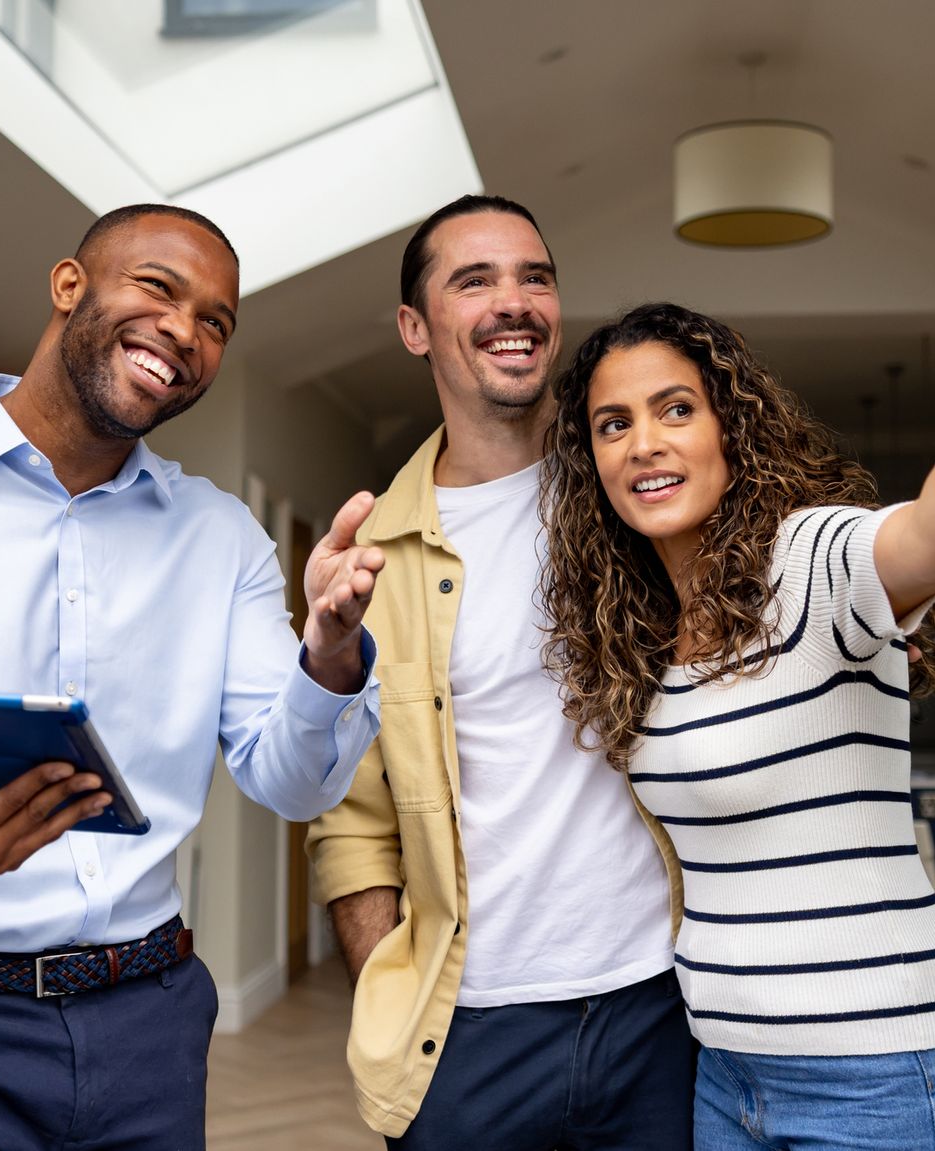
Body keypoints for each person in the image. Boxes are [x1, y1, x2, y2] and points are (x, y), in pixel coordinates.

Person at [0, 204, 386, 1151]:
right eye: (158, 288)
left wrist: (332, 654)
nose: (186, 331)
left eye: (216, 321)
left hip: (147, 1025)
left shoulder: (222, 540)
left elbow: (290, 779)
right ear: (68, 286)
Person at [538, 301, 935, 1151]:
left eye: (676, 408)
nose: (644, 441)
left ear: (731, 427)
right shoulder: (646, 638)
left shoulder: (807, 561)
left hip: (890, 1078)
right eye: (614, 424)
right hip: (730, 1077)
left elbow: (926, 537)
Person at [306, 196, 696, 1148]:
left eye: (534, 277)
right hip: (469, 1039)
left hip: (666, 1007)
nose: (512, 301)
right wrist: (385, 979)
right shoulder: (377, 553)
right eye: (473, 280)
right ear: (414, 327)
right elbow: (349, 819)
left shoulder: (638, 491)